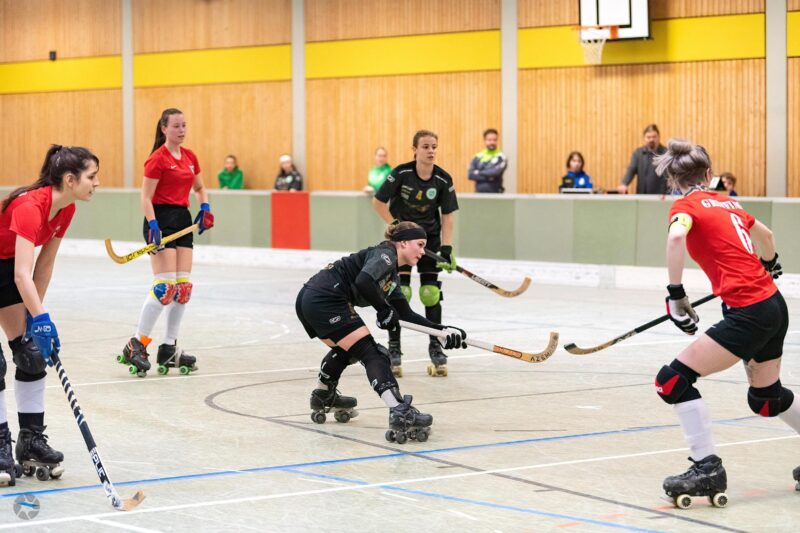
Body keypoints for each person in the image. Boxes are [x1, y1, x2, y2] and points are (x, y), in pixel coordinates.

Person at [653, 139, 799, 507]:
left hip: (749, 312)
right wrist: (770, 262)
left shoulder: (684, 207)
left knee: (672, 381)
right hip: (772, 306)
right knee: (767, 399)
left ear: (673, 180)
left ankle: (707, 469)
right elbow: (766, 237)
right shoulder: (729, 202)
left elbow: (676, 236)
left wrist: (676, 294)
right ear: (709, 174)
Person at [296, 221, 467, 441]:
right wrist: (383, 309)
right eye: (420, 244)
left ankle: (323, 394)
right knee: (374, 354)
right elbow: (364, 280)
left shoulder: (392, 275)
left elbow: (405, 314)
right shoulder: (385, 254)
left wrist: (441, 331)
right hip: (325, 300)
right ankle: (399, 410)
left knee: (350, 350)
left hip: (311, 299)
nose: (423, 252)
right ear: (403, 243)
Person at [0, 145, 100, 485]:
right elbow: (21, 275)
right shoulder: (30, 207)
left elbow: (43, 266)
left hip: (8, 265)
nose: (96, 183)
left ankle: (30, 440)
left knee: (30, 354)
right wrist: (42, 319)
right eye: (91, 177)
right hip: (11, 269)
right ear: (70, 179)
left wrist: (35, 318)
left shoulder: (65, 209)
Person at [119, 108, 214, 377]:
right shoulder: (157, 159)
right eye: (176, 126)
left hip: (183, 220)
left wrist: (205, 206)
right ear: (164, 129)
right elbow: (145, 197)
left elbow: (199, 187)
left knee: (182, 289)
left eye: (184, 125)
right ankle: (136, 343)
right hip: (160, 220)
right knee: (164, 288)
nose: (181, 130)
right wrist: (152, 225)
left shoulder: (190, 157)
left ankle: (169, 348)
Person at [373, 130, 459, 377]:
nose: (431, 151)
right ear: (415, 150)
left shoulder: (443, 179)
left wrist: (447, 247)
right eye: (425, 146)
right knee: (401, 293)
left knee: (430, 294)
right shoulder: (401, 173)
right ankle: (394, 349)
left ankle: (436, 347)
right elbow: (378, 202)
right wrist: (396, 225)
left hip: (428, 241)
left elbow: (448, 215)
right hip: (402, 242)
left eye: (434, 147)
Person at [617, 124, 667, 195]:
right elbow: (631, 170)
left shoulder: (666, 154)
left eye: (654, 137)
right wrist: (624, 184)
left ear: (659, 137)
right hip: (642, 195)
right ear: (644, 138)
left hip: (662, 196)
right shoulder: (638, 153)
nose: (651, 139)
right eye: (648, 137)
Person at [468, 128, 507, 193]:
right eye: (489, 140)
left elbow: (495, 173)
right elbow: (470, 175)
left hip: (496, 194)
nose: (492, 142)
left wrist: (478, 172)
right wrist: (490, 178)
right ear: (484, 140)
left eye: (494, 140)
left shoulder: (501, 157)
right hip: (479, 194)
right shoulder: (478, 157)